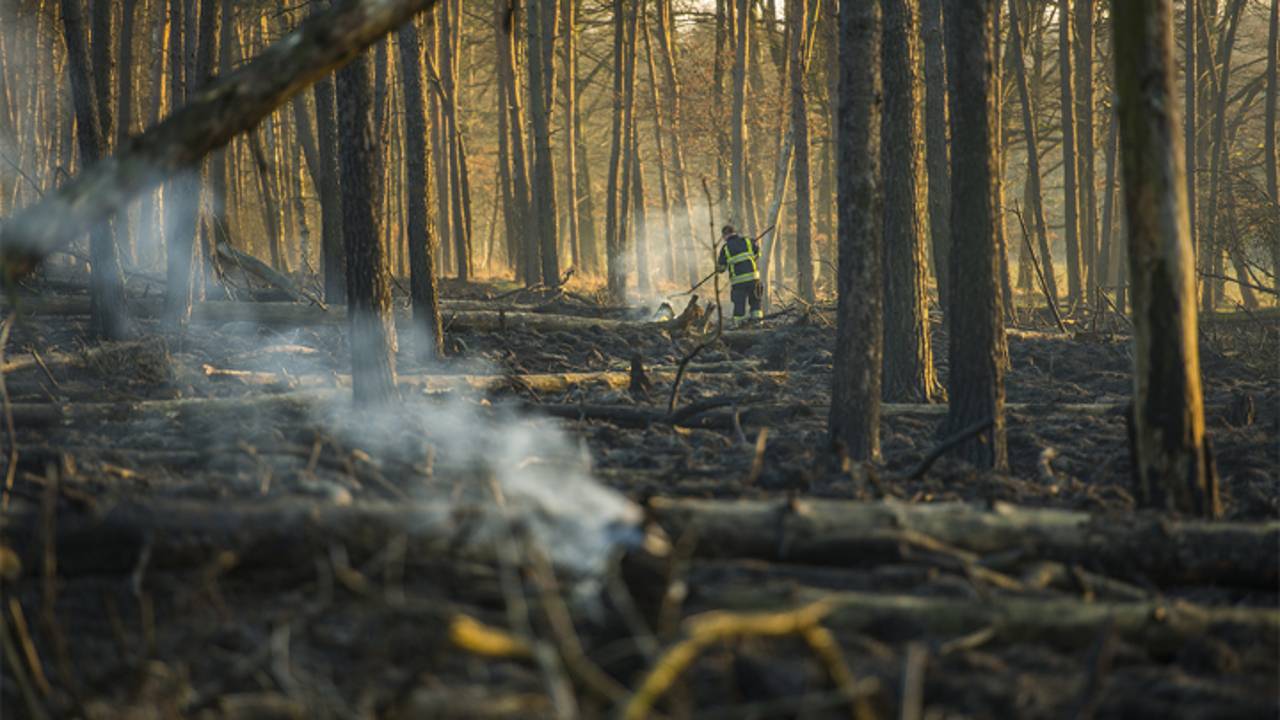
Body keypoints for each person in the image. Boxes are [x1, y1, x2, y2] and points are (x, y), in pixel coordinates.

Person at [716, 224, 763, 326]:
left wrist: (719, 268)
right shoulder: (748, 241)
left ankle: (739, 325)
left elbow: (721, 268)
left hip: (738, 282)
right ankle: (758, 323)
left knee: (739, 304)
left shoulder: (726, 248)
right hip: (753, 278)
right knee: (755, 301)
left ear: (724, 235)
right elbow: (758, 254)